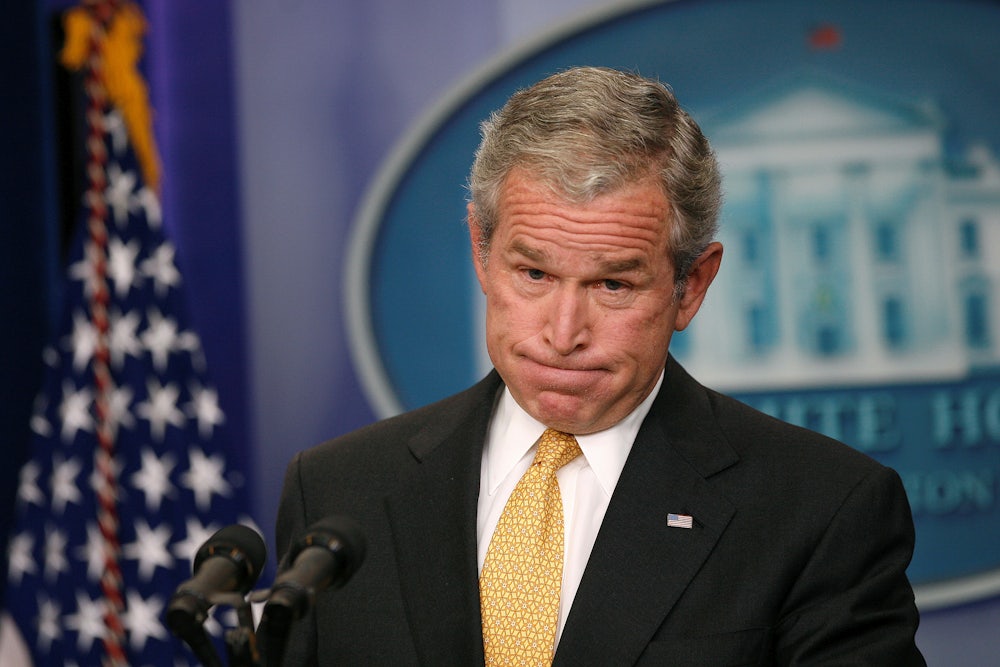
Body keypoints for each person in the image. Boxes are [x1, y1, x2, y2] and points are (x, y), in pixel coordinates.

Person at [270, 66, 925, 665]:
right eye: (533, 272)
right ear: (481, 250)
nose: (562, 333)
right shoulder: (339, 492)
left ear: (691, 285)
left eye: (613, 284)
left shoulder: (820, 510)